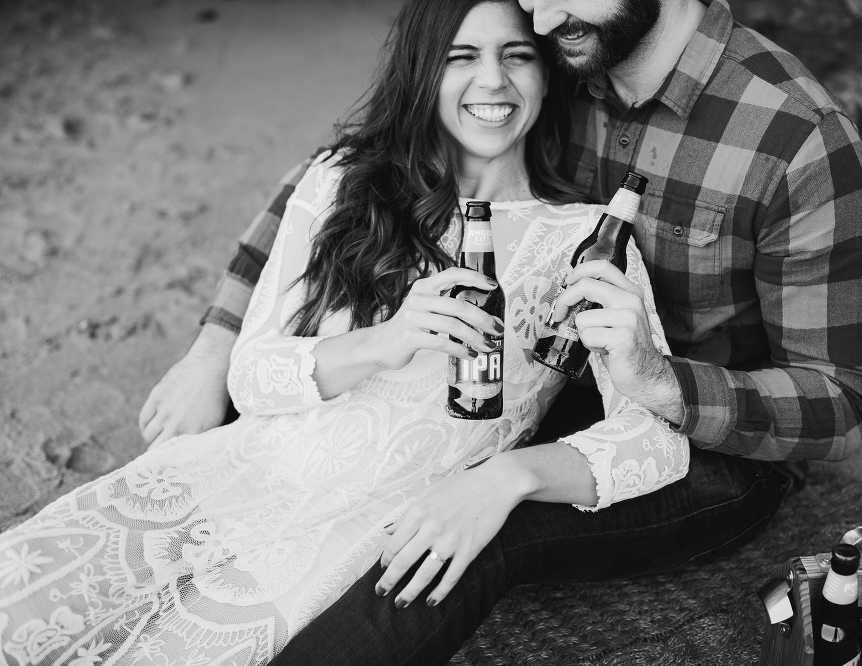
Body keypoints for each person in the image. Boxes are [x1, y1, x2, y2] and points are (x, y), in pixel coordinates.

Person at [154, 0, 862, 663]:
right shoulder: (562, 50)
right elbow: (338, 174)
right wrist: (214, 345)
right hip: (548, 376)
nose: (536, 14)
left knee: (481, 528)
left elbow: (840, 403)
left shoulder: (798, 139)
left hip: (707, 439)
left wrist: (658, 380)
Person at [0, 2, 690, 664]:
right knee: (19, 612)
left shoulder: (584, 241)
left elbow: (656, 440)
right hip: (226, 476)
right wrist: (383, 342)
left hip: (345, 536)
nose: (492, 80)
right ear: (423, 72)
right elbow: (252, 374)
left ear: (546, 77)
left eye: (517, 56)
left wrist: (508, 477)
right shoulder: (342, 182)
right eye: (461, 57)